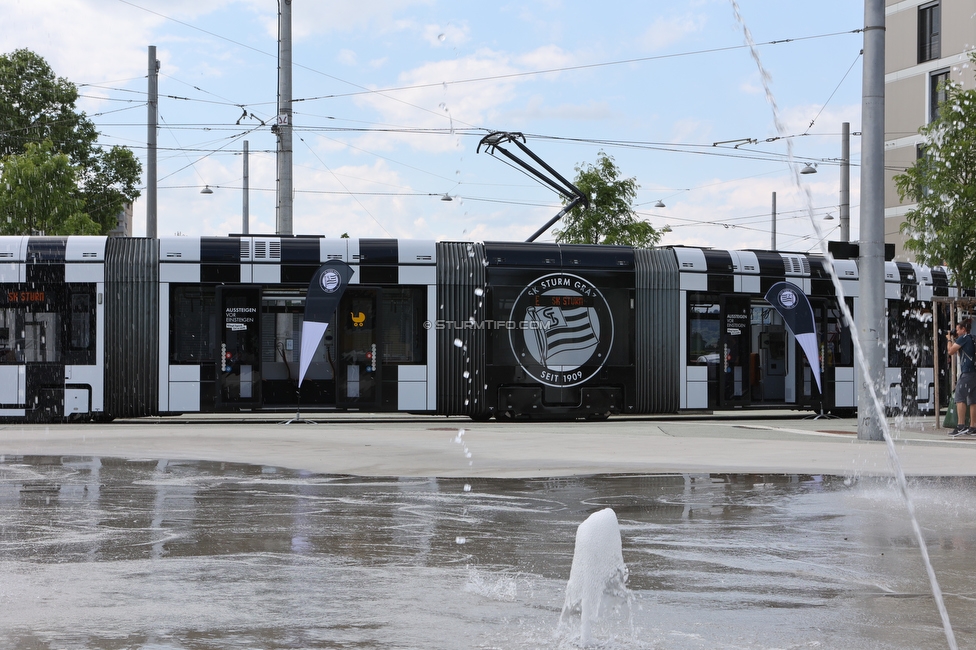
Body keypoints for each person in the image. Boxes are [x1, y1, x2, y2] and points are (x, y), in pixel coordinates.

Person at [947, 318, 976, 436]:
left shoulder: (963, 338)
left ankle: (960, 426)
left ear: (964, 329)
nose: (956, 332)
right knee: (973, 400)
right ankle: (973, 427)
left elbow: (951, 351)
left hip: (967, 373)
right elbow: (961, 352)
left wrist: (949, 339)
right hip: (974, 373)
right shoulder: (972, 338)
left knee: (959, 397)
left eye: (958, 330)